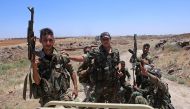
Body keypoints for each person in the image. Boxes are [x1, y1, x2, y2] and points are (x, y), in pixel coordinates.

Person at [66, 32, 121, 103]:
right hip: (99, 86)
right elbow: (83, 58)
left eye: (107, 39)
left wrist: (119, 70)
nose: (105, 41)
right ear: (101, 40)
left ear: (110, 39)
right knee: (96, 105)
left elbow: (118, 62)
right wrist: (69, 57)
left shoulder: (115, 51)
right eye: (103, 39)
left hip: (113, 85)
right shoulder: (96, 51)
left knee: (113, 105)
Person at [32, 28, 78, 106]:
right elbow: (37, 82)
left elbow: (72, 71)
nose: (48, 43)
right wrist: (34, 67)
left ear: (54, 40)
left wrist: (76, 88)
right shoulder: (37, 59)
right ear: (40, 41)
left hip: (63, 94)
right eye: (45, 40)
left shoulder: (61, 56)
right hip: (46, 96)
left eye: (50, 40)